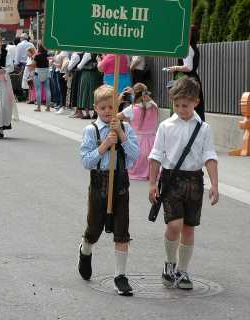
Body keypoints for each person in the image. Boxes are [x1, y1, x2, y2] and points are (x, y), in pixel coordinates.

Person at [148, 77, 219, 290]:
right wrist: (152, 183)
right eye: (176, 105)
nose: (180, 109)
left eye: (185, 105)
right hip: (171, 179)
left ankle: (183, 270)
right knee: (174, 225)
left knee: (188, 228)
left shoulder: (204, 128)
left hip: (195, 180)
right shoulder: (166, 126)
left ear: (196, 102)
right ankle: (169, 264)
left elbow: (210, 157)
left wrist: (214, 185)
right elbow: (156, 156)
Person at [78, 85, 139, 296]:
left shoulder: (125, 128)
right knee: (94, 227)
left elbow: (134, 156)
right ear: (96, 108)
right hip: (99, 183)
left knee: (122, 231)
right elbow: (86, 161)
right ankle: (85, 250)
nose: (107, 111)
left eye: (111, 107)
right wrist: (104, 145)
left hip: (121, 183)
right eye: (103, 107)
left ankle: (120, 276)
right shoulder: (91, 130)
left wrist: (121, 135)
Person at [118, 83, 158, 180]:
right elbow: (150, 101)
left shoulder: (131, 109)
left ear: (134, 95)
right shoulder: (154, 106)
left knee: (135, 159)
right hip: (152, 141)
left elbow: (115, 117)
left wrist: (119, 101)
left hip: (137, 141)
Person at [165, 25, 205, 121]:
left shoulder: (188, 47)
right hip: (192, 78)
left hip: (186, 80)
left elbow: (188, 67)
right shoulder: (194, 47)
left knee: (184, 103)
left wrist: (174, 68)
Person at [77, 53, 102, 120]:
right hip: (97, 75)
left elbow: (80, 66)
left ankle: (87, 113)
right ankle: (95, 113)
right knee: (95, 94)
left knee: (86, 93)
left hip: (87, 75)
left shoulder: (87, 54)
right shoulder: (99, 54)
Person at [32, 47, 51, 112]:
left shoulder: (36, 56)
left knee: (38, 90)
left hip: (38, 72)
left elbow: (33, 65)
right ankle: (48, 107)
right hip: (46, 72)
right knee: (47, 89)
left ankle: (39, 107)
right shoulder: (48, 55)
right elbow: (50, 63)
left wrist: (33, 58)